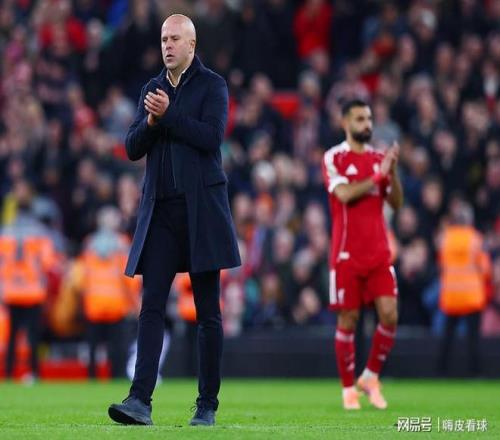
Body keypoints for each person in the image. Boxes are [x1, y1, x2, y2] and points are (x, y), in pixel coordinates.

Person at [108, 14, 241, 427]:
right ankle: (139, 400)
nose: (167, 45)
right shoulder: (152, 89)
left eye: (175, 39)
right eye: (164, 38)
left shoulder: (213, 86)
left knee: (207, 312)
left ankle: (207, 405)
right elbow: (131, 147)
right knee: (151, 306)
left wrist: (167, 116)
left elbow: (211, 137)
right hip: (161, 212)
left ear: (191, 45)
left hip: (201, 211)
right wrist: (151, 122)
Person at [321, 99, 403, 410]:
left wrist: (392, 172)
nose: (366, 124)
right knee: (349, 318)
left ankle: (369, 377)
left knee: (390, 314)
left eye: (368, 118)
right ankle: (348, 390)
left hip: (379, 252)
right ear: (345, 123)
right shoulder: (335, 157)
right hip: (346, 254)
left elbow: (396, 203)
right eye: (359, 119)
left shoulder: (379, 159)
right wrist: (379, 177)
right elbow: (344, 194)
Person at [0, 180, 57, 382]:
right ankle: (34, 373)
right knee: (33, 336)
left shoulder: (6, 232)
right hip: (33, 291)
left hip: (12, 290)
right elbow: (49, 262)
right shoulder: (39, 233)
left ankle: (8, 374)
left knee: (12, 337)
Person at [437, 198, 491, 376]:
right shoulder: (475, 239)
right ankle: (474, 372)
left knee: (447, 338)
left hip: (451, 296)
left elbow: (441, 264)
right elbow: (485, 268)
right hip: (472, 296)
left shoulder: (446, 238)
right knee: (473, 338)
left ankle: (441, 371)